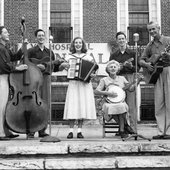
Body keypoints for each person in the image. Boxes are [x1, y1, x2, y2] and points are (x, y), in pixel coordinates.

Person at [27, 29, 63, 138]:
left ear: (45, 37)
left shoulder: (49, 52)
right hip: (34, 79)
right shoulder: (31, 51)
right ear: (36, 38)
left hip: (46, 78)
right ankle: (31, 131)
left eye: (43, 35)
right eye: (39, 35)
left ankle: (42, 130)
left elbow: (54, 68)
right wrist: (35, 67)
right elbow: (26, 64)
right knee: (33, 104)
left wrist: (61, 66)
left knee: (45, 104)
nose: (41, 37)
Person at [59, 37, 97, 139]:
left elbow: (94, 70)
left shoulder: (88, 57)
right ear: (73, 45)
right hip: (74, 83)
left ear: (83, 44)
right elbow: (60, 67)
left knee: (82, 106)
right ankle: (71, 131)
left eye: (80, 43)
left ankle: (79, 131)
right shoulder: (68, 56)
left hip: (84, 84)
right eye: (76, 43)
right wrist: (64, 65)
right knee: (72, 105)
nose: (78, 44)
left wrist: (92, 74)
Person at [139, 21, 170, 139]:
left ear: (159, 28)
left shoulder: (168, 41)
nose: (152, 31)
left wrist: (168, 56)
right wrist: (147, 65)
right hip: (156, 75)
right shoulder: (150, 45)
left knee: (169, 102)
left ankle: (169, 131)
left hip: (168, 71)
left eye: (153, 29)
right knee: (159, 102)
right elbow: (141, 60)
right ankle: (161, 131)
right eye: (150, 30)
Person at [94, 60, 136, 139]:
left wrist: (137, 82)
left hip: (120, 102)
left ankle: (122, 129)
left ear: (118, 69)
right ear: (108, 69)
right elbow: (96, 91)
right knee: (115, 107)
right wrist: (108, 93)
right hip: (108, 103)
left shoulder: (122, 78)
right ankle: (125, 127)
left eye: (114, 67)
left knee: (121, 106)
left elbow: (130, 89)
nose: (113, 68)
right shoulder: (104, 80)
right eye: (111, 67)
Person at [0, 26, 28, 140]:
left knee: (5, 106)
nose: (8, 34)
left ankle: (6, 132)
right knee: (1, 107)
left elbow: (14, 57)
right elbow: (3, 66)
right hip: (1, 78)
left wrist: (23, 46)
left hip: (6, 78)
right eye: (5, 32)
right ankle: (0, 133)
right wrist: (17, 68)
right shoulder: (0, 48)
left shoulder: (5, 48)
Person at [109, 31, 140, 134]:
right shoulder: (114, 54)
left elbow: (138, 68)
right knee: (119, 103)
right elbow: (109, 68)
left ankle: (133, 129)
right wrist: (119, 67)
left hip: (130, 78)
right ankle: (122, 128)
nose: (121, 40)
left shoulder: (133, 53)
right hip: (118, 79)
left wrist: (131, 67)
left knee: (131, 104)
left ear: (125, 40)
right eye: (119, 39)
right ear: (117, 41)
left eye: (123, 38)